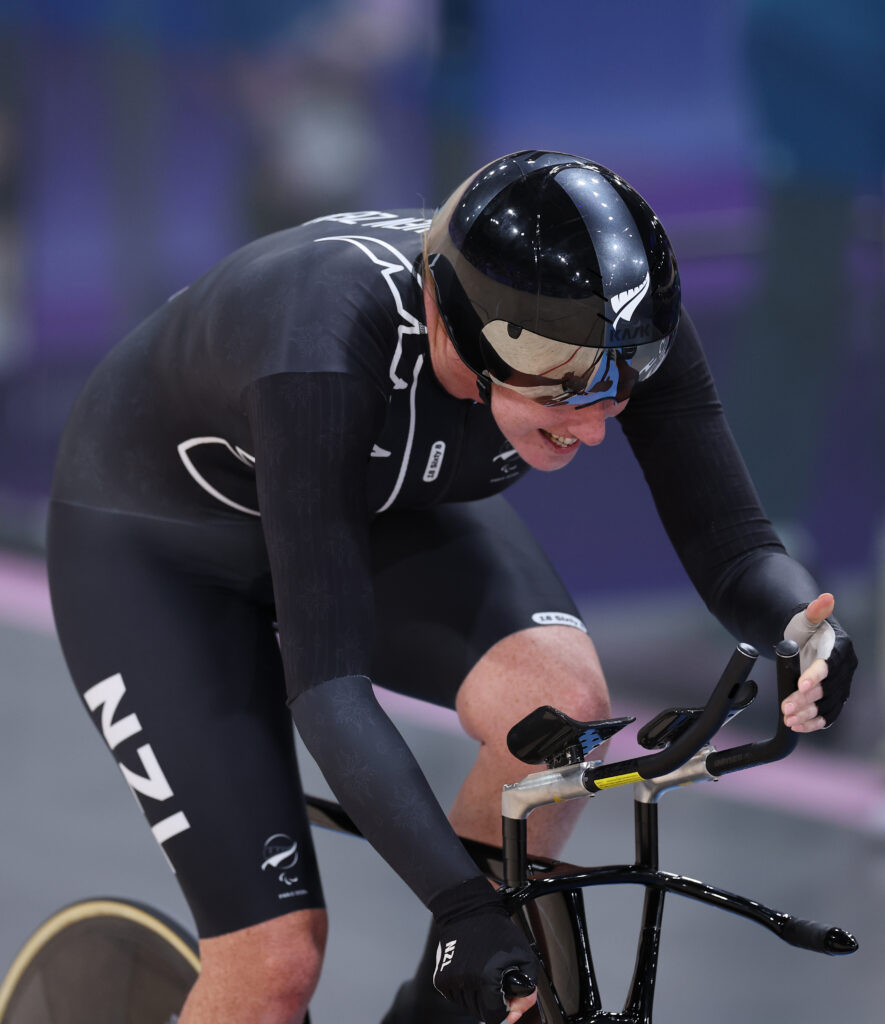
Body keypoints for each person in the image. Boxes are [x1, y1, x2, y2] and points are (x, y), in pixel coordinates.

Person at [46, 150, 857, 1024]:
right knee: (275, 962)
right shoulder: (319, 344)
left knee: (559, 711)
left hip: (373, 502)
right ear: (454, 315)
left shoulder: (605, 331)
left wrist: (799, 627)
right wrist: (459, 907)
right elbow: (328, 688)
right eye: (557, 376)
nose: (591, 420)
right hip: (160, 555)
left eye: (619, 380)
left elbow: (731, 545)